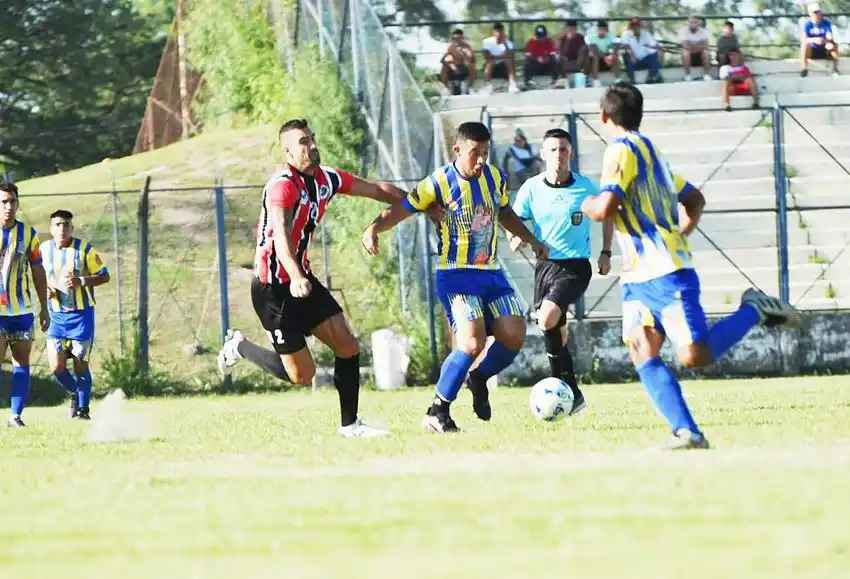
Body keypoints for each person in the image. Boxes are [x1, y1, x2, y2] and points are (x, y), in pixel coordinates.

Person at [580, 83, 802, 450]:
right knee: (641, 349)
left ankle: (754, 310)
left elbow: (605, 208)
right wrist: (680, 232)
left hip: (665, 270)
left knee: (694, 355)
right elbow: (694, 198)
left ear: (604, 117)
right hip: (638, 274)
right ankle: (687, 432)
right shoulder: (653, 153)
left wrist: (585, 202)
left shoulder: (619, 150)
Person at [217, 118, 442, 439]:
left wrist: (419, 204)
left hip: (302, 280)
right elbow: (280, 235)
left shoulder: (327, 179)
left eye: (311, 139)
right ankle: (240, 347)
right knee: (301, 374)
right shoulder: (282, 184)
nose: (311, 145)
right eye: (302, 143)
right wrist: (294, 276)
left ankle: (350, 425)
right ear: (288, 153)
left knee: (347, 346)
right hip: (273, 289)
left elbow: (376, 188)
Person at [361, 122, 548, 433]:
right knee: (472, 342)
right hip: (455, 275)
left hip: (490, 272)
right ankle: (438, 410)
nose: (480, 161)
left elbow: (504, 213)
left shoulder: (496, 178)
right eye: (475, 153)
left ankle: (477, 378)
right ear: (457, 149)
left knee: (514, 333)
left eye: (485, 154)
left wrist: (531, 239)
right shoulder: (437, 182)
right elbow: (404, 207)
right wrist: (374, 228)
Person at [506, 128, 614, 415]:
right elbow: (514, 224)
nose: (559, 155)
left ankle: (563, 388)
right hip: (545, 267)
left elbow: (607, 214)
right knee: (554, 330)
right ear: (542, 154)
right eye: (552, 150)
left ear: (571, 153)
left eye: (563, 149)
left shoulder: (586, 188)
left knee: (547, 318)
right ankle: (572, 393)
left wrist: (606, 251)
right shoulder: (531, 188)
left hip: (576, 266)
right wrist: (516, 239)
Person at [40, 210, 110, 420]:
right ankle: (74, 392)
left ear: (72, 227)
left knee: (81, 365)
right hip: (56, 316)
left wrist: (82, 281)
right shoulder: (43, 250)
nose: (62, 229)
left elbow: (104, 275)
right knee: (57, 366)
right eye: (58, 225)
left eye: (66, 225)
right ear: (51, 229)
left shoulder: (84, 250)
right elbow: (36, 277)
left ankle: (83, 410)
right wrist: (45, 290)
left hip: (81, 316)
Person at [0, 182, 49, 428]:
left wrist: (44, 306)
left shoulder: (29, 235)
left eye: (12, 201)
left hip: (21, 311)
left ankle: (15, 416)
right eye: (3, 202)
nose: (9, 207)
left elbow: (38, 271)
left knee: (22, 362)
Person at [800, 3, 840, 77]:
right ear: (810, 14)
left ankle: (835, 69)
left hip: (824, 48)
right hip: (812, 50)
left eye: (818, 12)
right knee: (804, 45)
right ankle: (804, 68)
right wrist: (814, 40)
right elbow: (804, 39)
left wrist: (827, 41)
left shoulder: (826, 23)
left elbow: (829, 36)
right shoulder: (807, 24)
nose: (817, 14)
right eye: (815, 12)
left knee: (834, 46)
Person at [621, 18, 663, 84]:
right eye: (633, 25)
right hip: (633, 60)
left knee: (656, 55)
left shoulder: (646, 34)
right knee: (626, 56)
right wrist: (632, 55)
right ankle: (632, 80)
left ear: (640, 26)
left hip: (644, 60)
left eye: (637, 25)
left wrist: (660, 52)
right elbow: (626, 46)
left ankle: (651, 77)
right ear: (630, 27)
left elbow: (654, 44)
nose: (635, 27)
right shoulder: (626, 34)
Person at [482, 22, 520, 93]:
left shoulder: (508, 43)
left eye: (501, 31)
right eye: (497, 31)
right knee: (490, 62)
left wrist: (505, 44)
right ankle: (487, 85)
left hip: (503, 66)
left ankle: (512, 84)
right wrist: (502, 56)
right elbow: (487, 56)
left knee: (508, 61)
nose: (499, 33)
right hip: (491, 66)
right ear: (493, 32)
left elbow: (510, 56)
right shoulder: (487, 41)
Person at [440, 29, 477, 95]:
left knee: (470, 65)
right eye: (455, 38)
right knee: (444, 67)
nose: (457, 40)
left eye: (459, 38)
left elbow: (472, 59)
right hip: (453, 66)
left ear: (462, 38)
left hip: (464, 65)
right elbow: (443, 60)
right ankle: (446, 87)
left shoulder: (466, 46)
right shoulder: (450, 47)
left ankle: (470, 86)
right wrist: (452, 65)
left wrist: (465, 54)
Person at [523, 24, 559, 89]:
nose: (541, 38)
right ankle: (528, 81)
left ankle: (555, 80)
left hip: (546, 66)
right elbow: (528, 56)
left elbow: (553, 54)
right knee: (527, 62)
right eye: (539, 36)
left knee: (554, 60)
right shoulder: (531, 42)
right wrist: (537, 59)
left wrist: (548, 58)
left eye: (543, 36)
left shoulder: (549, 41)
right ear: (536, 35)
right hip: (536, 66)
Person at [587, 20, 621, 87]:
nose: (602, 31)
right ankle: (596, 80)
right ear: (598, 29)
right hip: (597, 59)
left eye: (604, 29)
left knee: (615, 58)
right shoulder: (593, 38)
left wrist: (612, 54)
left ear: (606, 29)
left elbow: (614, 47)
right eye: (601, 29)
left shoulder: (610, 36)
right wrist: (605, 56)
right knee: (595, 57)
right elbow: (594, 50)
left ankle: (618, 80)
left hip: (607, 58)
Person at [680, 15, 711, 81]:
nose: (692, 24)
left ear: (698, 23)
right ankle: (687, 75)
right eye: (691, 22)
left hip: (700, 53)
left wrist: (692, 46)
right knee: (685, 53)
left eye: (694, 22)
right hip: (689, 53)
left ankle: (706, 74)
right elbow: (685, 45)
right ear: (688, 23)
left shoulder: (704, 31)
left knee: (706, 52)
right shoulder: (683, 30)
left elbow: (706, 45)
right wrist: (699, 45)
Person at [558, 19, 588, 86]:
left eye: (574, 28)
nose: (572, 30)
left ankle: (585, 77)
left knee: (584, 50)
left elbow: (585, 48)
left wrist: (584, 48)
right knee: (561, 59)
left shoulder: (580, 37)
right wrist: (568, 40)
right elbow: (561, 52)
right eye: (570, 28)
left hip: (578, 61)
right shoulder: (563, 38)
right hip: (567, 61)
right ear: (567, 28)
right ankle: (563, 80)